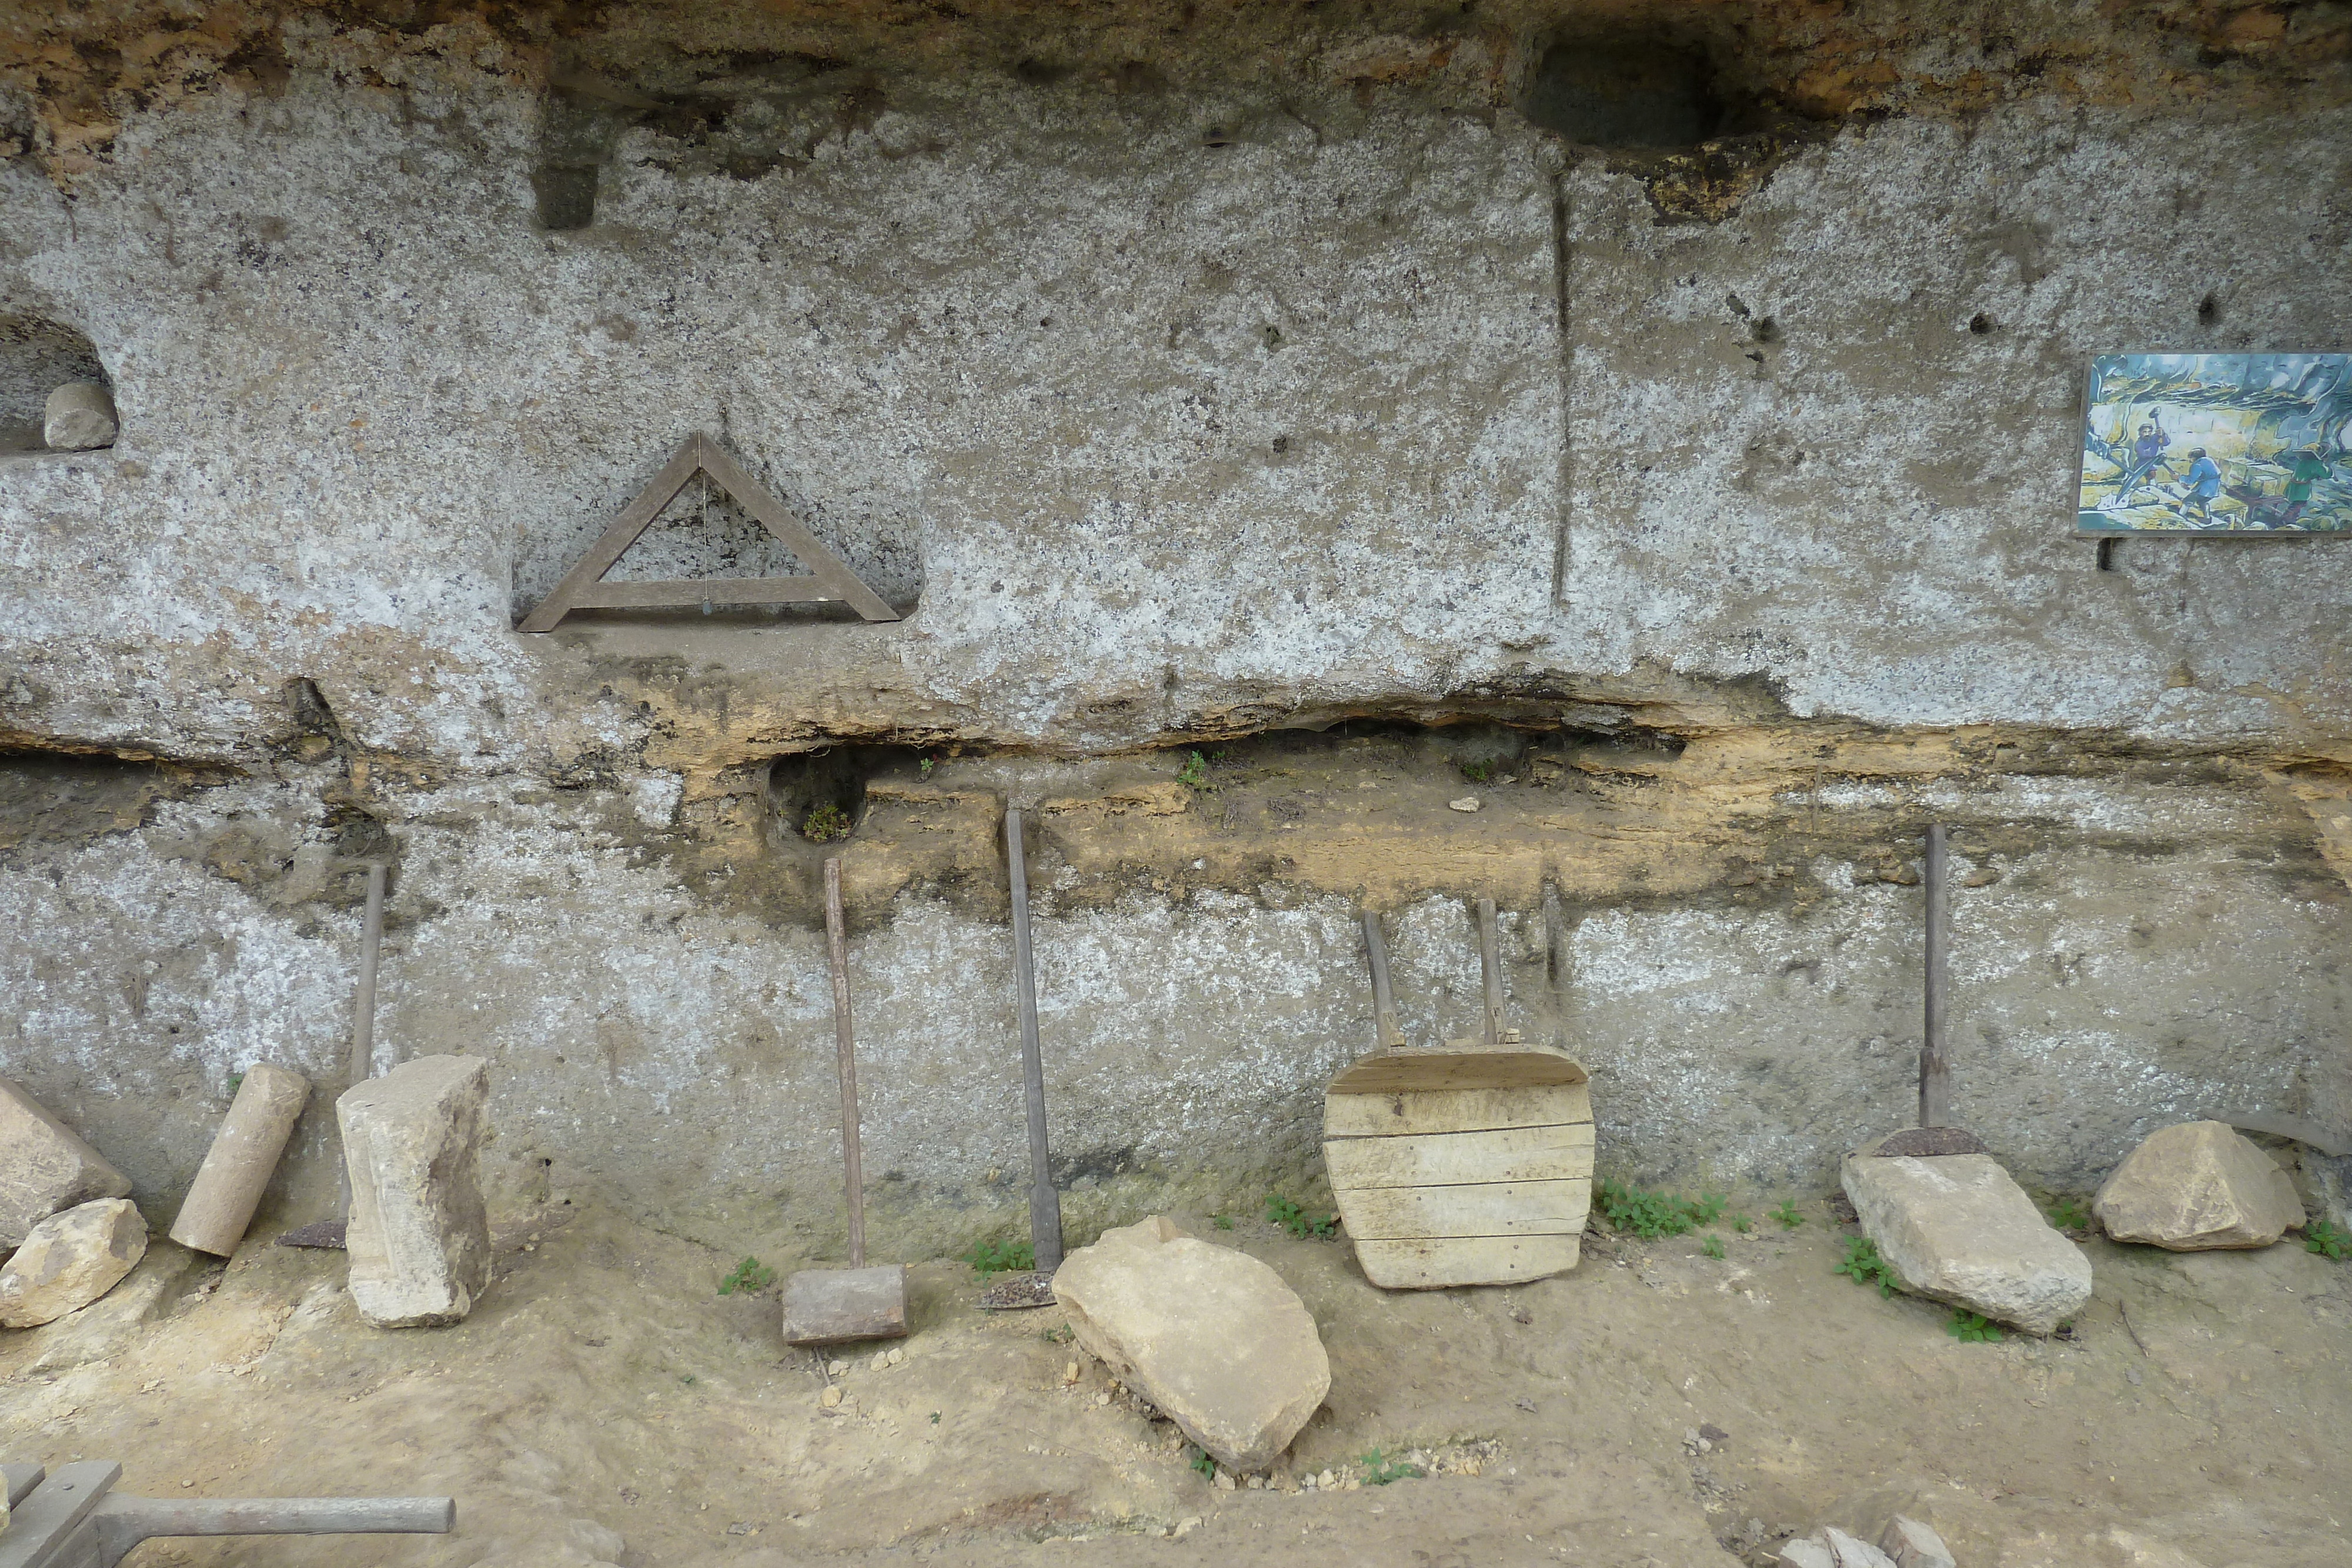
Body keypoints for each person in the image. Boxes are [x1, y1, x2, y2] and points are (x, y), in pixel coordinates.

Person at [2113, 411, 2170, 503]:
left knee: (2152, 476)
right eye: (2145, 432)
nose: (2147, 434)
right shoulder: (2139, 444)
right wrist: (2156, 459)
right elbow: (2144, 454)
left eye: (2149, 432)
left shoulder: (2155, 438)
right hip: (2142, 464)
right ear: (2140, 433)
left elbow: (2166, 442)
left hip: (2151, 464)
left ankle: (2152, 492)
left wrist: (2163, 435)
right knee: (2138, 480)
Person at [2276, 446, 2332, 529]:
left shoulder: (2303, 462)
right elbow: (2326, 475)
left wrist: (2315, 475)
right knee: (2298, 504)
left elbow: (2307, 472)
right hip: (2301, 488)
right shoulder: (2316, 463)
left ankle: (2290, 520)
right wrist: (2329, 470)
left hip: (2293, 486)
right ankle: (2284, 520)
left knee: (2296, 504)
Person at [2180, 447, 2221, 525]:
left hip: (2205, 487)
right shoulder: (2209, 460)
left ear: (2195, 458)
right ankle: (2207, 519)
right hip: (2214, 486)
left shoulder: (2197, 465)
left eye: (2191, 458)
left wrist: (2179, 477)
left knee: (2188, 500)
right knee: (2203, 501)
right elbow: (2205, 475)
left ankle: (2180, 517)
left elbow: (2190, 481)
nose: (2190, 461)